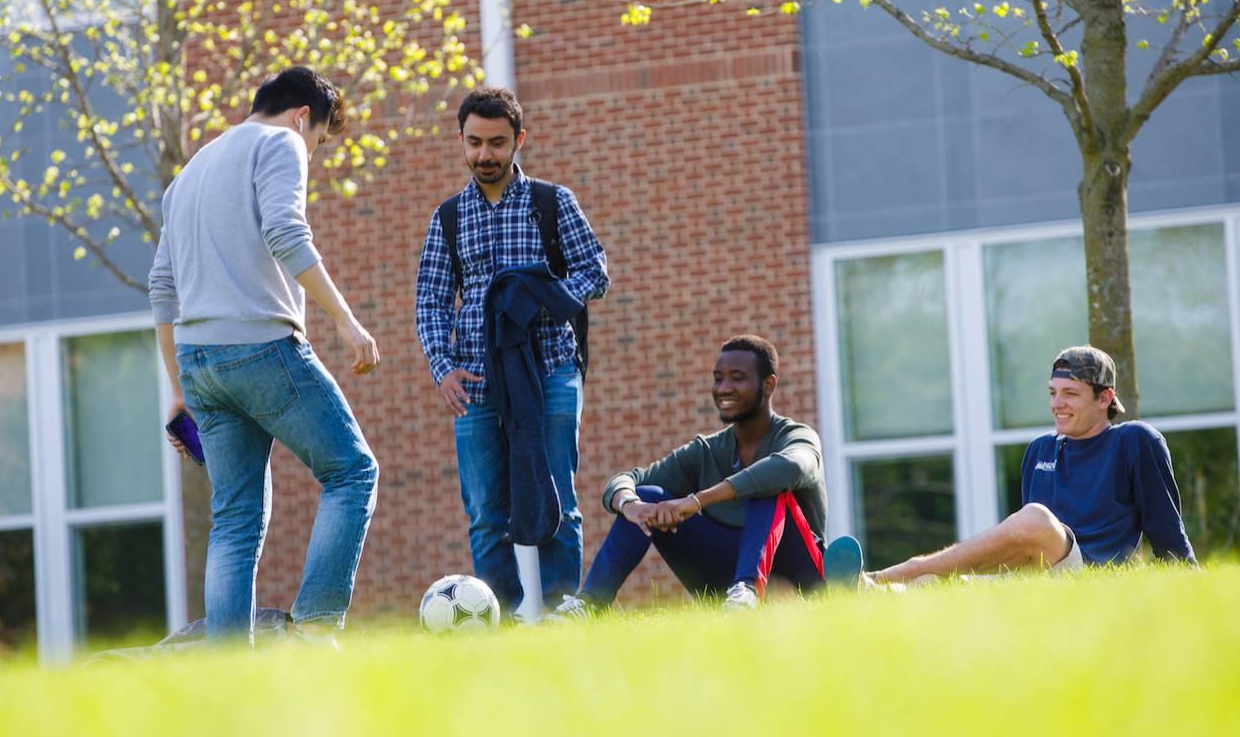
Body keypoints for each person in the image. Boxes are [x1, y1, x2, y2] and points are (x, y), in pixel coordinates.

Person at [149, 67, 381, 645]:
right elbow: (285, 230)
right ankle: (314, 630)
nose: (313, 153)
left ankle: (229, 667)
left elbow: (160, 284)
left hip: (200, 363)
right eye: (319, 141)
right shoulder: (282, 142)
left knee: (234, 521)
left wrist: (178, 387)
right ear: (304, 116)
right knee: (353, 470)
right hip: (260, 348)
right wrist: (346, 321)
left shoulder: (190, 171)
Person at [415, 86, 609, 613]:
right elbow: (430, 300)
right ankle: (494, 620)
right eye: (474, 142)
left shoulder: (553, 202)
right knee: (484, 513)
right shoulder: (448, 218)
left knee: (558, 501)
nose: (485, 154)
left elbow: (595, 271)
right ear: (461, 140)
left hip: (550, 370)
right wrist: (443, 369)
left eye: (497, 143)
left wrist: (540, 298)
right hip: (475, 381)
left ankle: (560, 612)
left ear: (518, 140)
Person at [861, 345, 1197, 586]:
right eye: (1052, 393)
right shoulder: (1040, 450)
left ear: (1105, 398)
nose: (1057, 404)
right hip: (1034, 575)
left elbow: (1166, 528)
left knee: (1035, 518)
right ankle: (876, 590)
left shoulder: (1134, 441)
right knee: (951, 582)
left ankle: (899, 571)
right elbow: (1017, 544)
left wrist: (1189, 582)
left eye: (1070, 393)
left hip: (1085, 574)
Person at [551, 336, 829, 617]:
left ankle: (747, 590)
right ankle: (589, 604)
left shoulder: (797, 437)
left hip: (797, 574)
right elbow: (628, 479)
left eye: (737, 378)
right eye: (718, 378)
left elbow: (792, 467)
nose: (723, 389)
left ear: (768, 385)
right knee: (649, 496)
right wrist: (629, 504)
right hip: (725, 581)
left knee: (765, 487)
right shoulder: (706, 451)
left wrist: (696, 502)